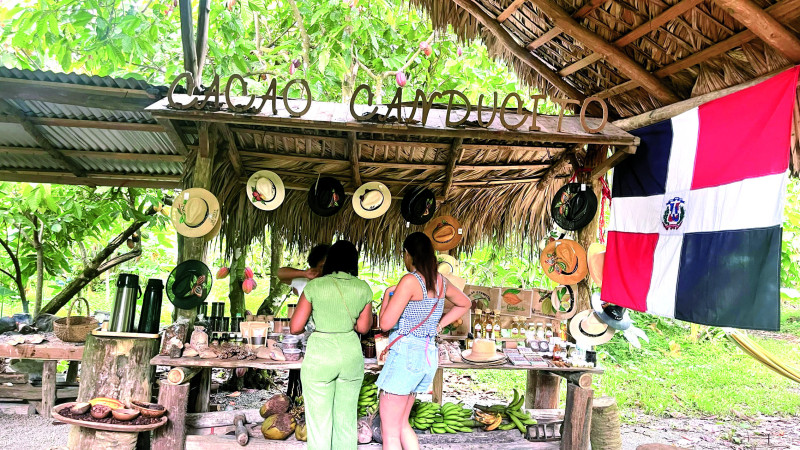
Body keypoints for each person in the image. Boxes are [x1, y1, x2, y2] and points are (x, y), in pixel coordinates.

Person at [376, 232, 471, 450]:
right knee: (402, 425)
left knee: (390, 432)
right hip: (427, 353)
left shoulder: (410, 281)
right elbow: (465, 303)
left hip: (405, 355)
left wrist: (386, 296)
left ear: (409, 254)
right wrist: (438, 325)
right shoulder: (441, 282)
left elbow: (385, 324)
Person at [289, 240, 373, 450]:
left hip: (320, 356)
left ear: (330, 261)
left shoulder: (315, 286)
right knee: (345, 422)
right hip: (350, 355)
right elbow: (363, 328)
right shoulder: (362, 288)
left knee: (319, 424)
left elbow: (295, 327)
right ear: (354, 262)